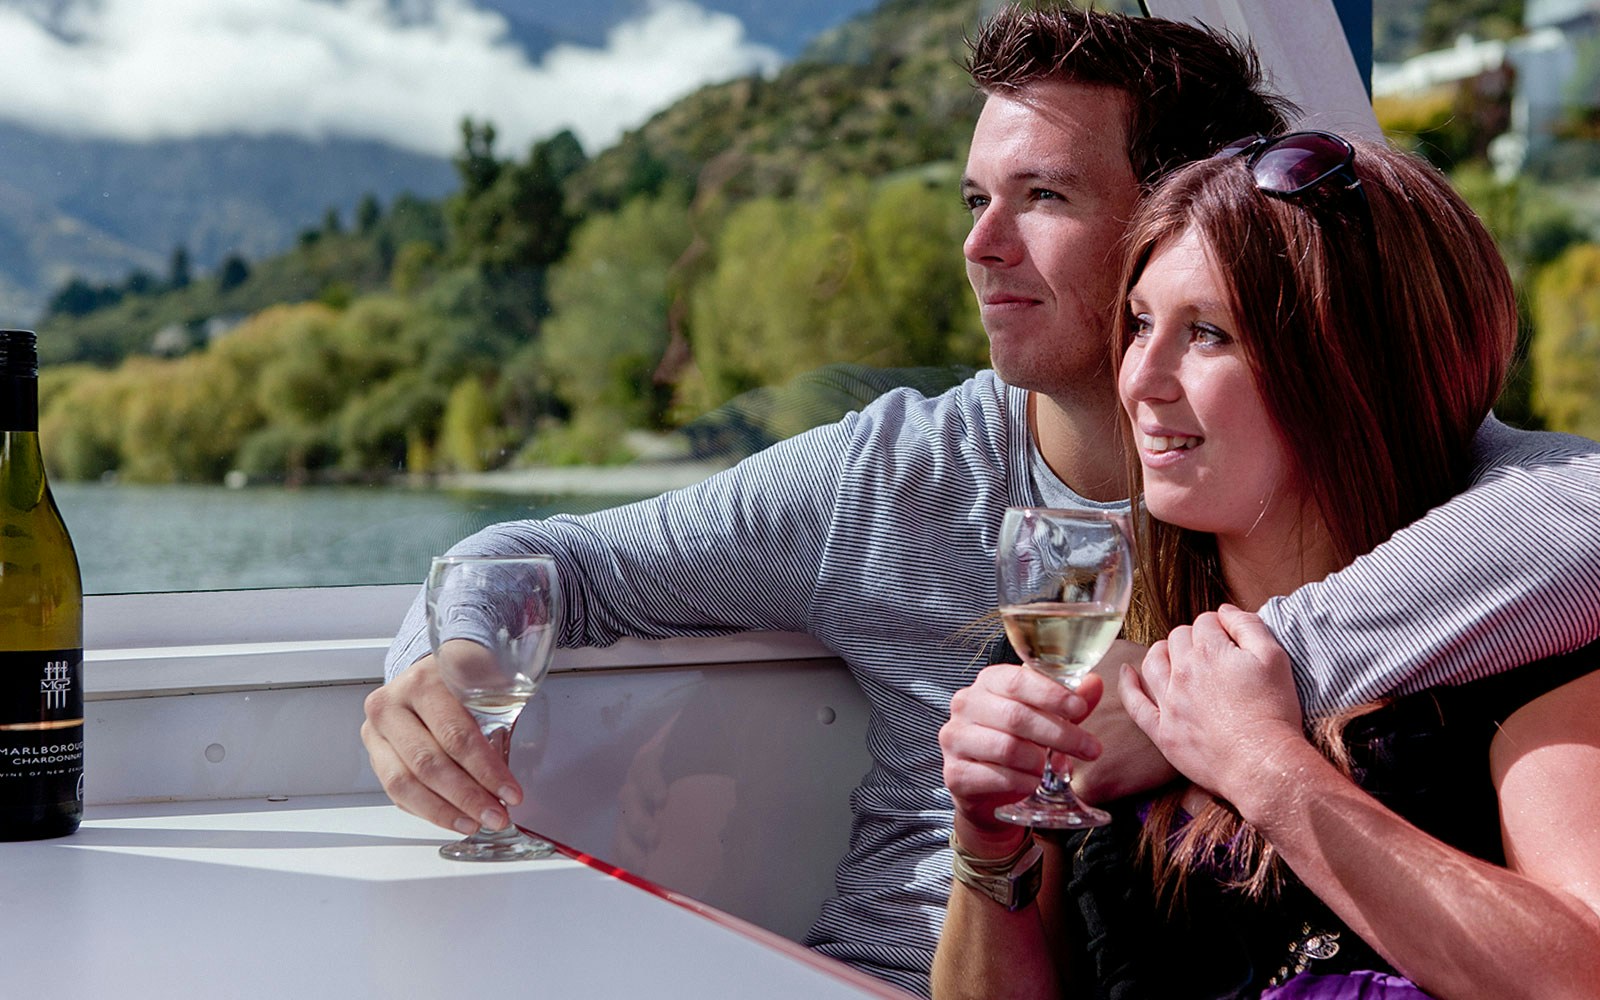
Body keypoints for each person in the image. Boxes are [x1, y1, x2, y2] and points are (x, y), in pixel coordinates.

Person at [363, 6, 1600, 995]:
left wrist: (1220, 689)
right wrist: (449, 656)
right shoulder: (894, 470)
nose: (980, 244)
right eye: (974, 200)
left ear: (1189, 210)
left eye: (1044, 197)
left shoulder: (1440, 517)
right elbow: (548, 559)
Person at [934, 132, 1600, 999]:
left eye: (1207, 334)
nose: (1142, 379)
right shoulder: (1081, 643)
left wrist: (1261, 765)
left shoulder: (1526, 643)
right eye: (1139, 325)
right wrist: (990, 843)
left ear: (1353, 373)